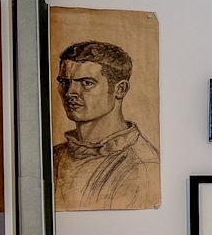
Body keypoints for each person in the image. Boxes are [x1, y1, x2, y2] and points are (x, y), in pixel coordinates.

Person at [53, 40, 159, 208]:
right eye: (65, 82)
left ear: (120, 89)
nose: (70, 92)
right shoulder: (54, 157)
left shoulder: (141, 165)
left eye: (87, 83)